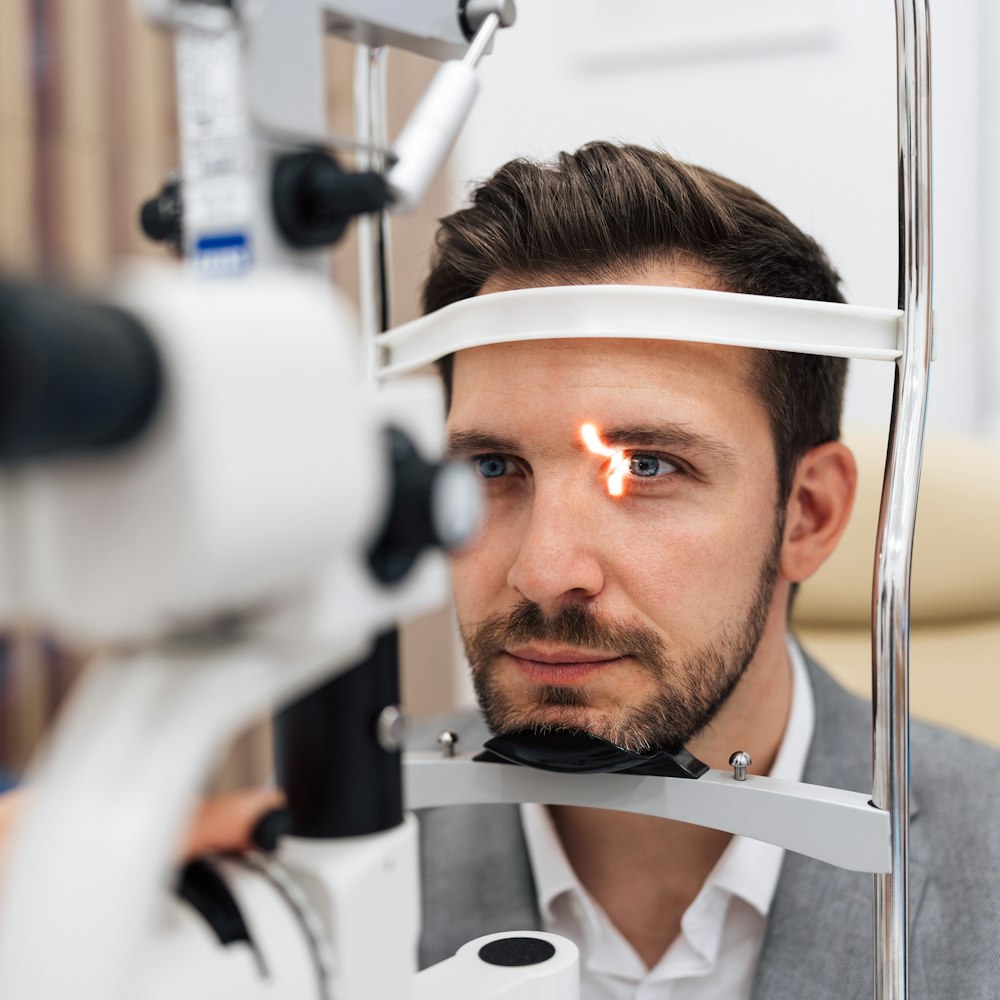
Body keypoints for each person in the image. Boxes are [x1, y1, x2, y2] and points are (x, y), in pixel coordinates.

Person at [410, 142, 1000, 999]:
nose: (543, 571)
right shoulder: (339, 853)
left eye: (647, 466)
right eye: (493, 467)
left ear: (808, 514)